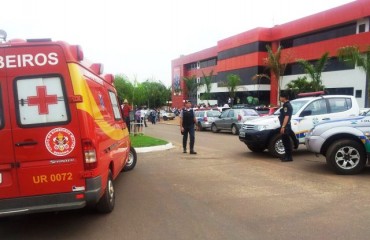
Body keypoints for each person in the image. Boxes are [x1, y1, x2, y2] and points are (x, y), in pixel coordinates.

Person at [279, 92, 299, 162]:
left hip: (286, 126)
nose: (280, 98)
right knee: (285, 141)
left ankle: (289, 157)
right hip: (287, 126)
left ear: (284, 98)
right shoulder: (286, 105)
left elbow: (286, 116)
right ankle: (286, 156)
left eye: (280, 97)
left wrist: (283, 126)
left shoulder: (287, 105)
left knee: (286, 142)